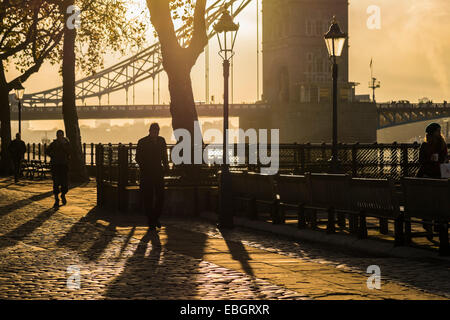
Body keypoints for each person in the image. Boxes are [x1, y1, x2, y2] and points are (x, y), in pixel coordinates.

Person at [136, 123, 169, 230]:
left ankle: (154, 218)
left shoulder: (161, 141)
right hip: (147, 174)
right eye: (154, 131)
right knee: (148, 198)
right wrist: (144, 168)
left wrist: (166, 166)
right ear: (150, 131)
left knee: (161, 196)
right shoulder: (142, 142)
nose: (156, 133)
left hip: (158, 172)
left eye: (157, 131)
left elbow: (164, 156)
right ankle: (152, 220)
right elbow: (138, 158)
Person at [46, 130, 71, 208]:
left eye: (61, 135)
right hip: (55, 165)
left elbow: (70, 152)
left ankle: (63, 194)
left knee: (65, 183)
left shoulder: (67, 144)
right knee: (56, 183)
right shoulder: (53, 144)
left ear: (63, 136)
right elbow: (47, 151)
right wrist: (53, 156)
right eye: (58, 135)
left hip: (64, 165)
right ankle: (56, 199)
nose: (59, 137)